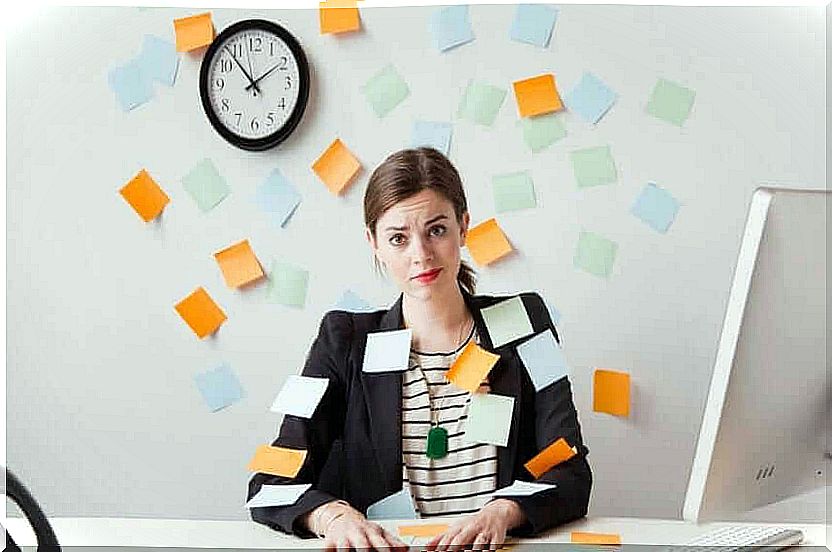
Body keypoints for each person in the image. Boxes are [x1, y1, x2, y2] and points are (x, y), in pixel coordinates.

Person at [247, 147, 592, 550]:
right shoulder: (343, 339)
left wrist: (504, 511)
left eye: (437, 230)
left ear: (464, 226)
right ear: (373, 243)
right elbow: (269, 486)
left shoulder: (525, 323)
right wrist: (333, 517)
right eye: (398, 238)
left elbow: (570, 472)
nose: (421, 255)